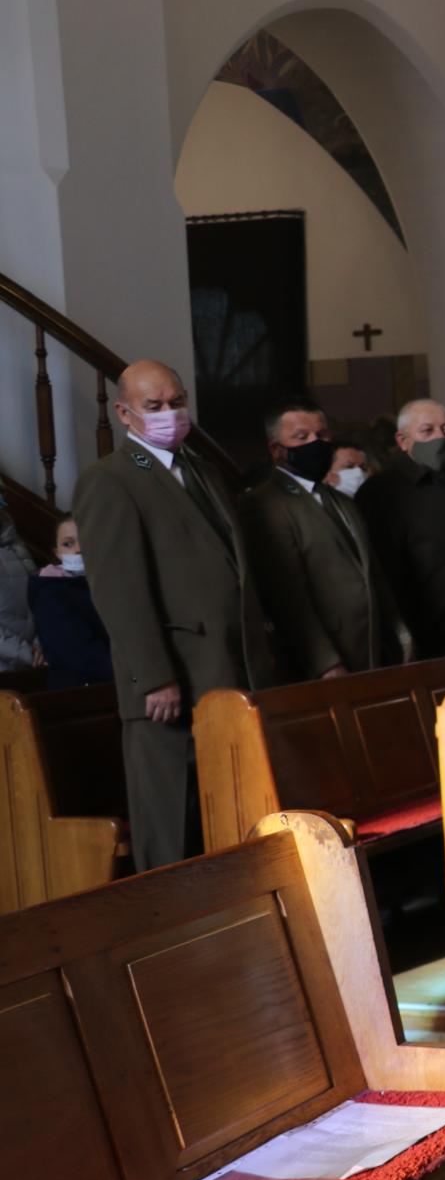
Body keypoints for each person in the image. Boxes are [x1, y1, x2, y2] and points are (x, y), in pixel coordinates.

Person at [74, 359, 282, 868]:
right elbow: (118, 589)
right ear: (124, 413)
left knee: (233, 817)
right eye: (154, 406)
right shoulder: (111, 479)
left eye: (177, 402)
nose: (170, 413)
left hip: (228, 669)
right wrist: (154, 676)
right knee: (173, 829)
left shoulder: (201, 469)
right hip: (171, 681)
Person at [243, 397, 410, 678]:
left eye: (321, 435)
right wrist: (325, 662)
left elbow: (372, 572)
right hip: (325, 664)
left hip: (371, 650)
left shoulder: (340, 500)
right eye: (302, 437)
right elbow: (286, 595)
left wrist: (400, 633)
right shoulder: (264, 503)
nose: (315, 443)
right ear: (276, 449)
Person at [355, 397, 445, 660]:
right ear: (403, 441)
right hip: (426, 636)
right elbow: (385, 572)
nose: (440, 437)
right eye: (427, 431)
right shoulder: (382, 491)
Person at [30, 516, 112, 688]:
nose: (78, 550)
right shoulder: (50, 590)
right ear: (57, 553)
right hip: (83, 688)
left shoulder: (109, 582)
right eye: (68, 544)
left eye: (85, 540)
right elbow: (80, 652)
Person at [0, 499, 38, 669]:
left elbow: (41, 599)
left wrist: (43, 644)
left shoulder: (14, 546)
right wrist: (27, 654)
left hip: (37, 658)